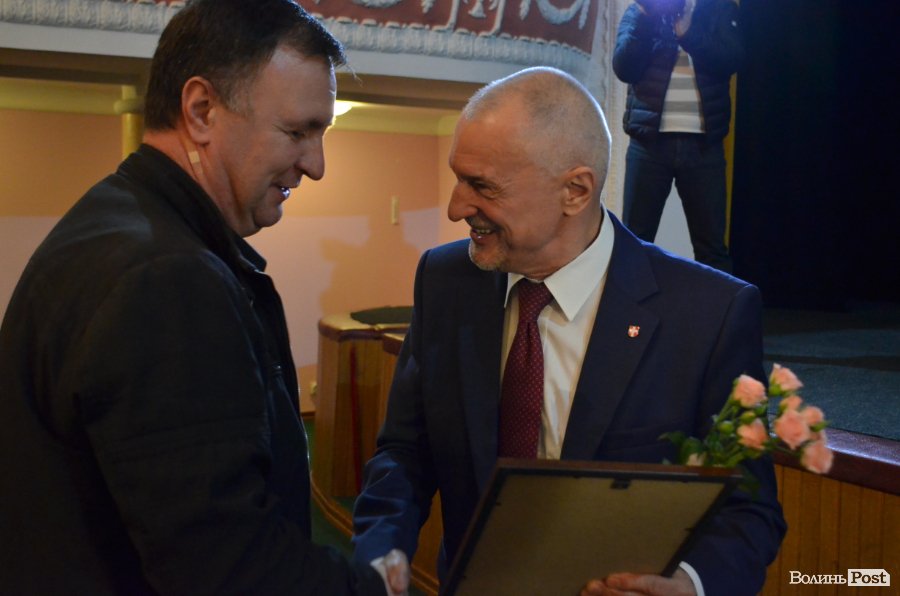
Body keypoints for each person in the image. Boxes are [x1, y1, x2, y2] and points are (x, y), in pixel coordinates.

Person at [0, 1, 395, 594]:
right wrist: (371, 588)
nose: (315, 165)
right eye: (298, 131)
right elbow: (227, 568)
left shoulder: (114, 222)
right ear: (202, 110)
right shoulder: (166, 279)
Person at [352, 67, 785, 596]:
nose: (456, 207)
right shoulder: (445, 281)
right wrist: (381, 555)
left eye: (482, 186)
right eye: (458, 178)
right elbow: (405, 452)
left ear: (575, 191)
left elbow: (749, 508)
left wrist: (688, 585)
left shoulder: (709, 313)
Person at [613, 0, 743, 273]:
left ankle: (717, 304)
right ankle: (627, 302)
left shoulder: (719, 8)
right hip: (648, 144)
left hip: (704, 146)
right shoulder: (641, 11)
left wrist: (688, 33)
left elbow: (730, 59)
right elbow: (624, 67)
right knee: (633, 242)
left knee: (712, 250)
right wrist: (646, 16)